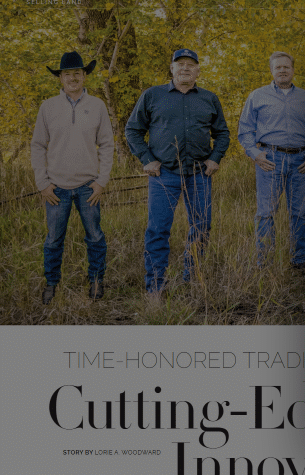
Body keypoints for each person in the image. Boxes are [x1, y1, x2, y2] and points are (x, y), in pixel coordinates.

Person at [125, 49, 230, 295]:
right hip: (164, 174)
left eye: (190, 65)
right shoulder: (152, 95)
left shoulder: (209, 98)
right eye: (180, 64)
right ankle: (155, 287)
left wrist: (215, 158)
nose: (185, 68)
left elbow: (222, 133)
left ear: (198, 71)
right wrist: (147, 159)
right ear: (171, 68)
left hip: (199, 174)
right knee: (158, 229)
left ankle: (191, 278)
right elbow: (132, 130)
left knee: (202, 226)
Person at [30, 51, 114, 305]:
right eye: (67, 74)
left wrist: (102, 181)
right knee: (54, 239)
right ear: (60, 78)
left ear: (85, 76)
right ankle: (52, 283)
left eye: (78, 73)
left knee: (95, 237)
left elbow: (108, 145)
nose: (73, 78)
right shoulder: (48, 107)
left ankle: (96, 281)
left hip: (89, 186)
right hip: (56, 188)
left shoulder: (97, 106)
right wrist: (43, 183)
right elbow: (37, 146)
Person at [237, 52, 305, 268]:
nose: (283, 70)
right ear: (272, 71)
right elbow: (245, 129)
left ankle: (299, 262)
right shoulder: (257, 96)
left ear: (293, 70)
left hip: (300, 162)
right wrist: (254, 153)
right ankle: (265, 263)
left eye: (286, 67)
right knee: (266, 213)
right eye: (278, 67)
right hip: (269, 160)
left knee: (300, 213)